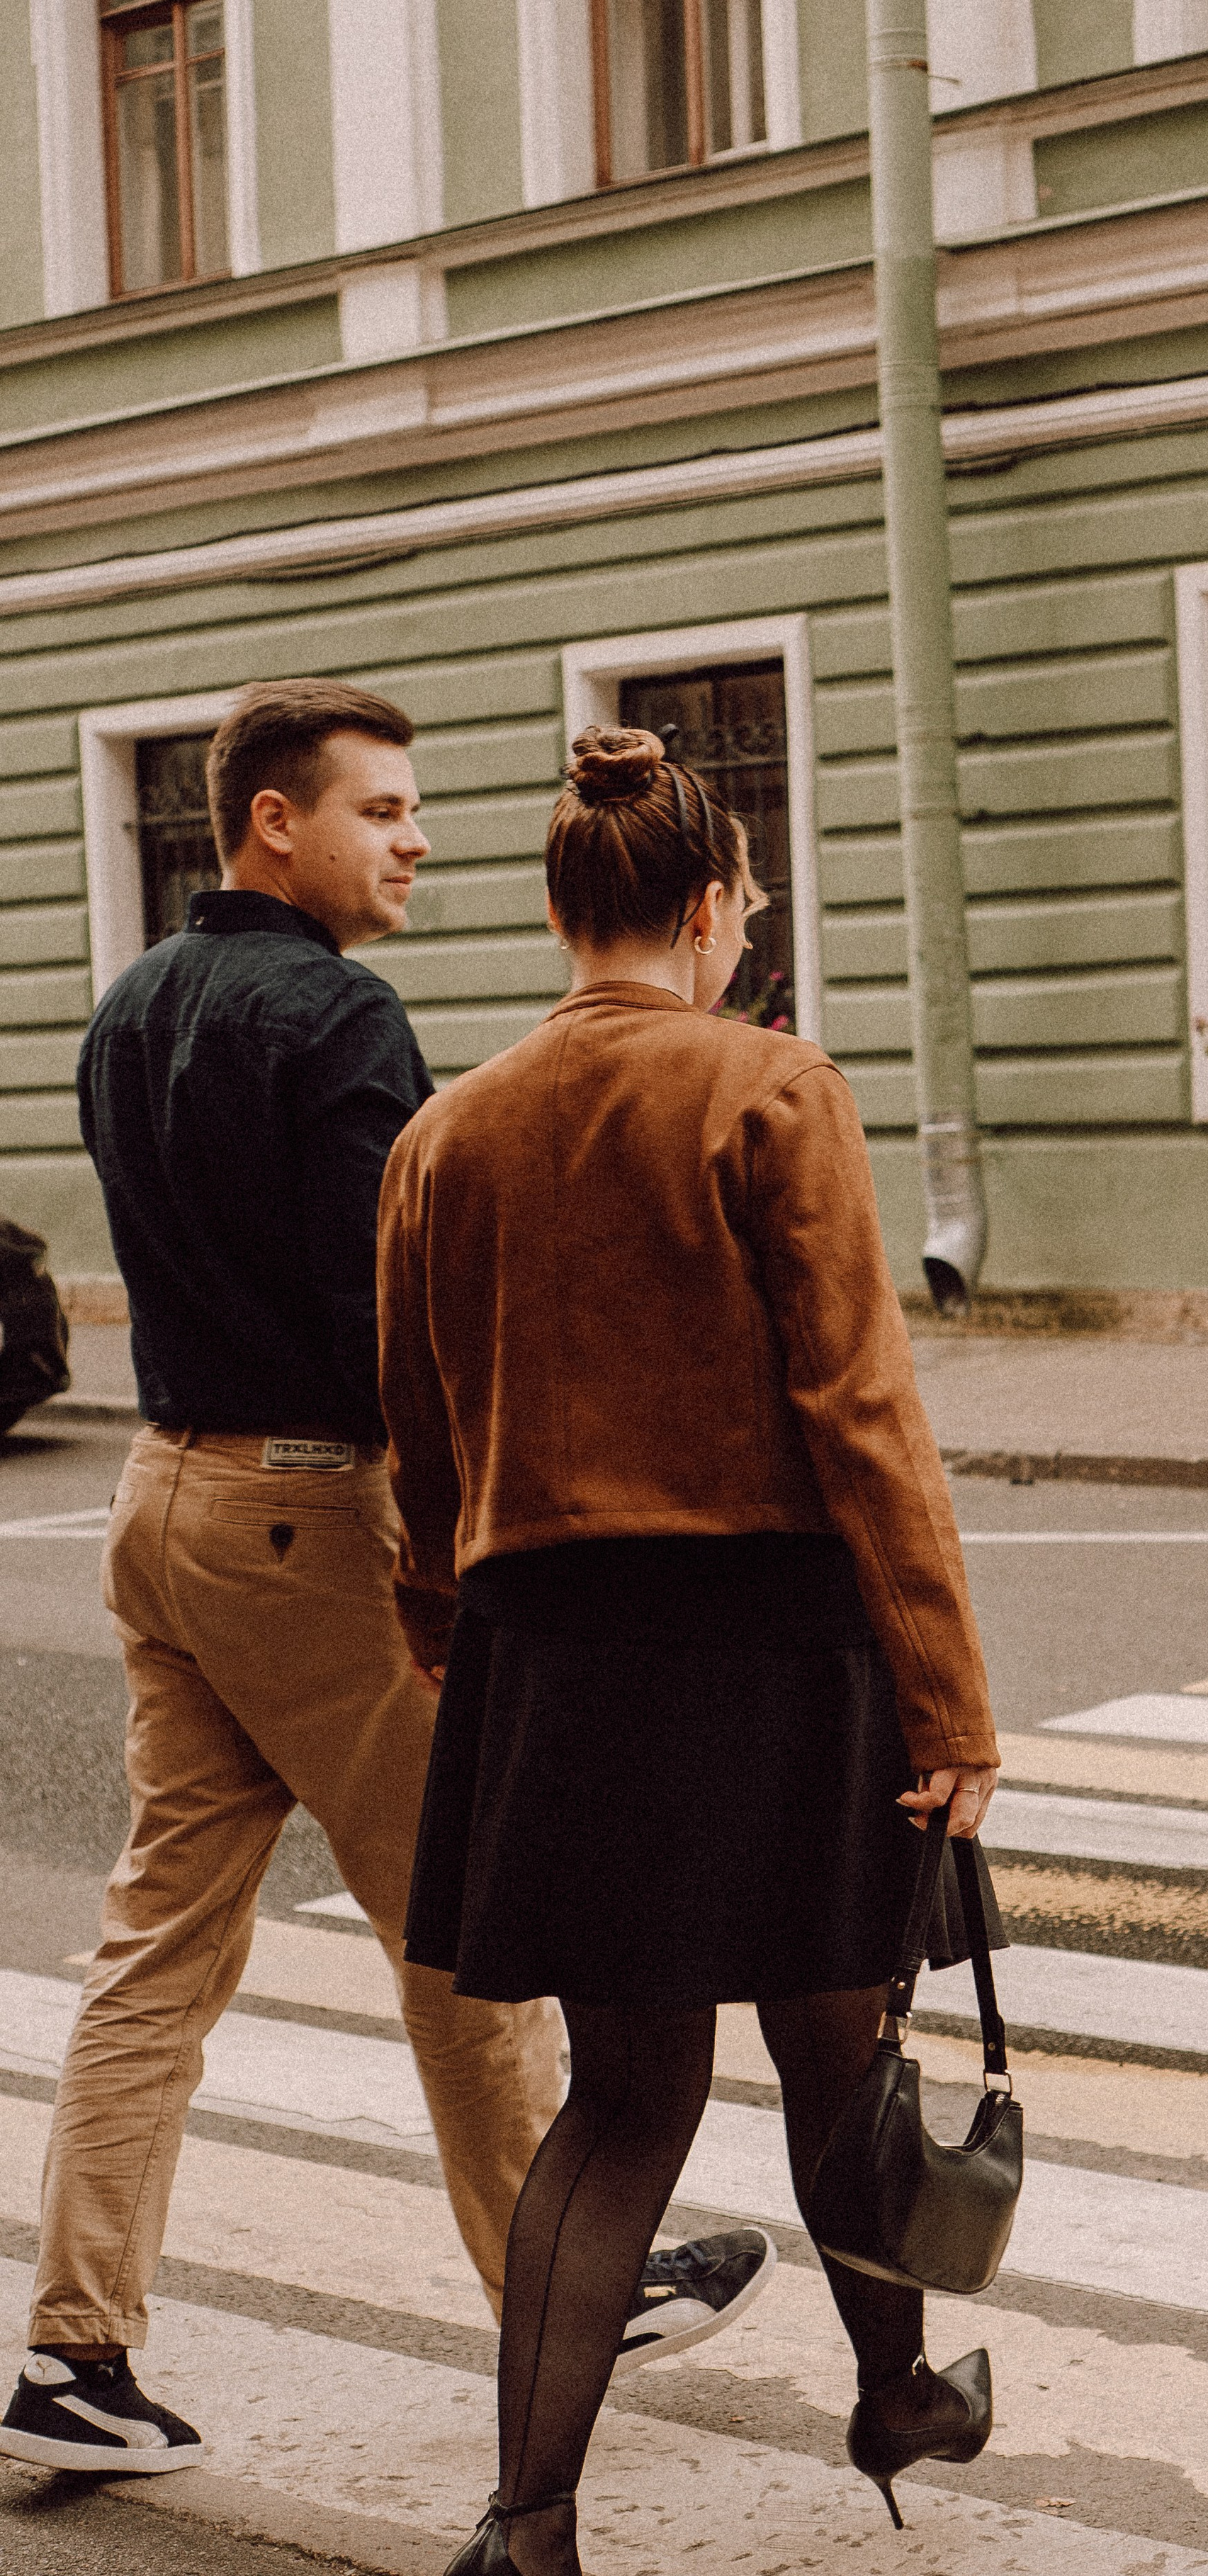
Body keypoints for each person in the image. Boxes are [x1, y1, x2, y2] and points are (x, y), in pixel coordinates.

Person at [0, 682, 772, 2483]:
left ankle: (74, 2349)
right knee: (465, 1921)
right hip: (308, 1515)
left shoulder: (129, 1003)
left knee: (157, 1948)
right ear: (275, 822)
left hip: (165, 1497)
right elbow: (391, 1318)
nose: (416, 841)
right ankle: (567, 2280)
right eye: (384, 810)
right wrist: (465, 1544)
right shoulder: (337, 1015)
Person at [378, 725, 1003, 2576]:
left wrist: (446, 1635)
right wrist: (950, 1701)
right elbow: (861, 1413)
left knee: (625, 2100)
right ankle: (893, 2391)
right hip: (777, 1641)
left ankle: (530, 2524)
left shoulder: (443, 1133)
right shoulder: (771, 1087)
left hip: (559, 1655)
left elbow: (420, 1430)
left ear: (561, 910)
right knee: (838, 2046)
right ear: (714, 907)